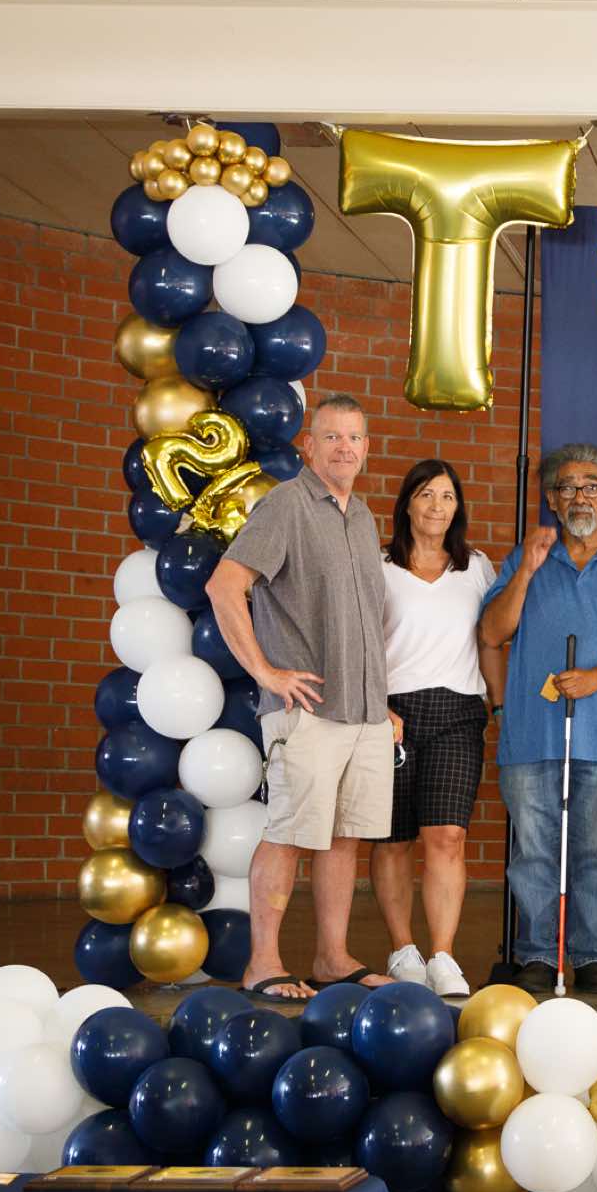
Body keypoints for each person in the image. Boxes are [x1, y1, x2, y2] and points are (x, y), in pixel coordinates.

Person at [205, 393, 400, 1001]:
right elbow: (224, 586)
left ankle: (332, 959)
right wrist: (265, 673)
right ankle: (262, 963)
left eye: (355, 438)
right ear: (308, 446)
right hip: (307, 712)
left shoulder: (362, 517)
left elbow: (362, 620)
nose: (345, 448)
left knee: (344, 836)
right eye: (332, 437)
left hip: (366, 713)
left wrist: (380, 701)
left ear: (366, 449)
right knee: (289, 832)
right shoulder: (286, 505)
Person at [478, 444, 597, 996]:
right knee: (534, 851)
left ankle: (592, 955)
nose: (580, 496)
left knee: (595, 850)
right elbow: (492, 632)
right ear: (552, 501)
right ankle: (537, 952)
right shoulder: (527, 555)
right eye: (567, 487)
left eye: (591, 486)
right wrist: (527, 571)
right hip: (531, 732)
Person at [368, 459, 501, 1000]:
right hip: (390, 714)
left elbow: (493, 638)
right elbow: (361, 643)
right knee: (394, 840)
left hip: (458, 712)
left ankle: (443, 954)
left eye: (447, 496)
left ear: (458, 507)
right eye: (425, 495)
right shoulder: (379, 565)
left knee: (447, 836)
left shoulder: (477, 567)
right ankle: (403, 950)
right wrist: (375, 706)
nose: (436, 507)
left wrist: (499, 703)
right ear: (407, 504)